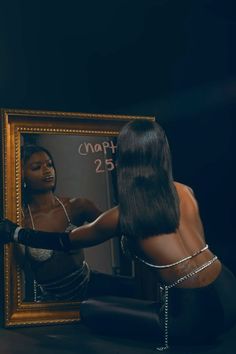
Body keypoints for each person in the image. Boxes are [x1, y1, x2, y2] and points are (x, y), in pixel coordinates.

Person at [1, 120, 236, 350]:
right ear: (163, 152)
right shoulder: (185, 191)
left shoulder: (122, 215)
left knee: (90, 310)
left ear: (121, 159)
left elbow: (63, 241)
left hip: (192, 315)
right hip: (229, 290)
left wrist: (16, 232)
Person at [15, 144, 136, 302]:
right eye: (37, 167)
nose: (47, 171)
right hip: (49, 301)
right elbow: (20, 267)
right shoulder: (20, 220)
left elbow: (119, 228)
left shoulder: (77, 206)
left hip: (91, 287)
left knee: (136, 290)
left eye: (50, 165)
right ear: (21, 175)